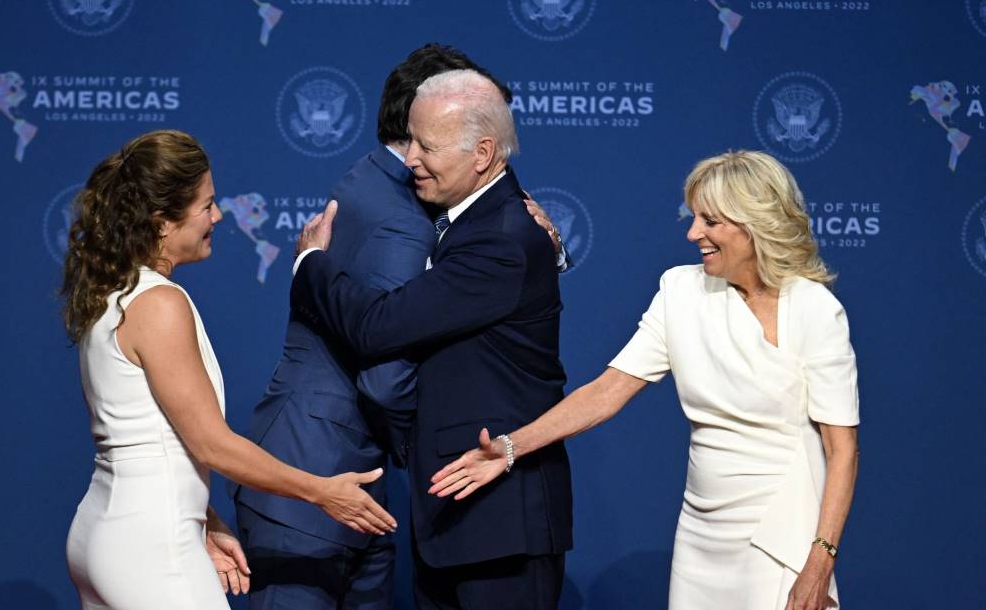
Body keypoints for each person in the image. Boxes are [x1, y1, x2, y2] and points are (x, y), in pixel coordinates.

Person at [429, 150, 860, 610]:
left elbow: (842, 449)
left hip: (784, 530)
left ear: (754, 224)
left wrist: (821, 560)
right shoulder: (681, 291)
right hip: (703, 534)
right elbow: (608, 390)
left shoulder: (814, 309)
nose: (694, 233)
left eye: (711, 222)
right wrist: (511, 447)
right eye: (695, 218)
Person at [233, 45, 569, 610]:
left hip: (418, 497)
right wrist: (306, 266)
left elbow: (500, 235)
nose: (413, 156)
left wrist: (551, 249)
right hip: (325, 479)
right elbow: (385, 365)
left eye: (428, 144)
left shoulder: (397, 190)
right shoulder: (408, 213)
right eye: (414, 138)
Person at [62, 130, 397, 610]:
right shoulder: (160, 302)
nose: (218, 216)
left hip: (106, 533)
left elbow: (152, 442)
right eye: (206, 205)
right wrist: (323, 492)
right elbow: (210, 443)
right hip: (151, 547)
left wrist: (205, 519)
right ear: (161, 223)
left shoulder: (115, 291)